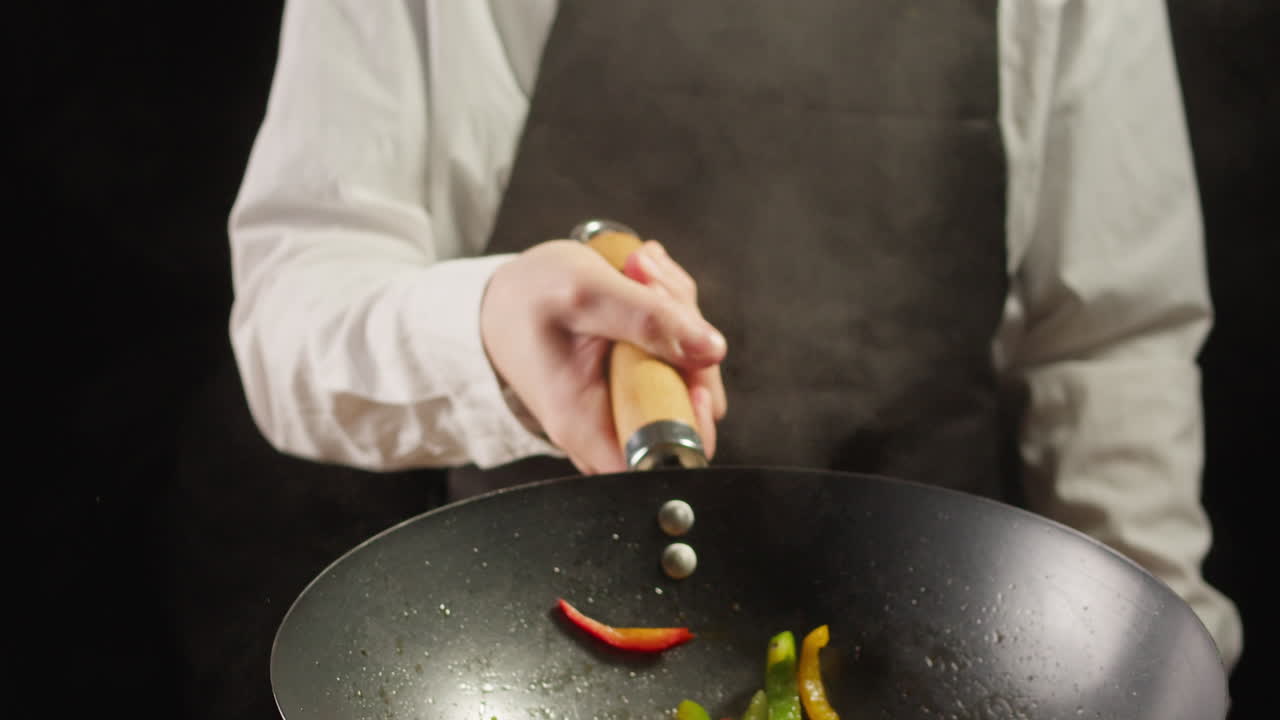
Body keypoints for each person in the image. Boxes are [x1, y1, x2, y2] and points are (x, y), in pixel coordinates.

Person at [227, 0, 1243, 673]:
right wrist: (487, 330)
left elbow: (1108, 346)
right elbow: (290, 316)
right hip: (531, 671)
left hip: (932, 667)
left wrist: (1158, 663)